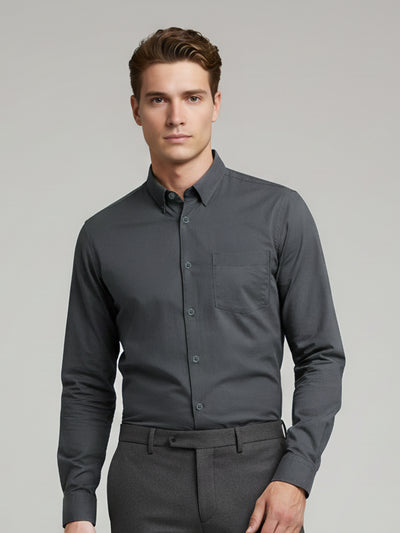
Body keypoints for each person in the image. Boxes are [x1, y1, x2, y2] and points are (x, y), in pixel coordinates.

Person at [57, 27, 345, 533]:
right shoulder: (102, 235)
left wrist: (296, 477)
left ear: (215, 104)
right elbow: (86, 382)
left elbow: (321, 356)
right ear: (135, 109)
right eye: (158, 99)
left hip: (258, 478)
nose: (176, 116)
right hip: (146, 483)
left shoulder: (279, 213)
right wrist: (78, 508)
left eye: (192, 97)